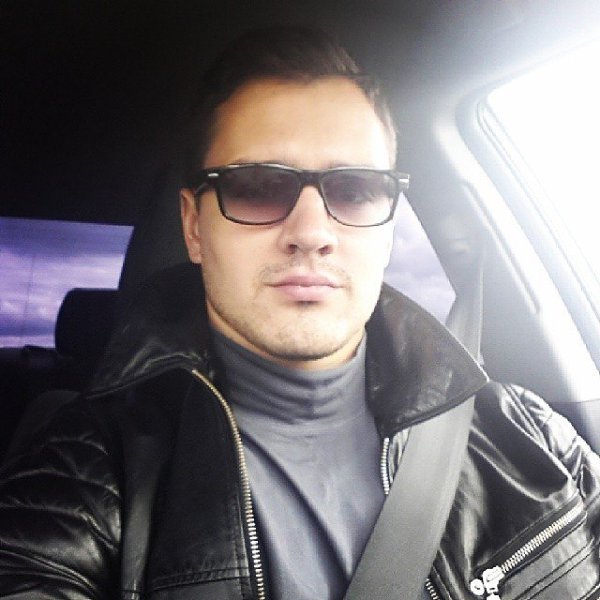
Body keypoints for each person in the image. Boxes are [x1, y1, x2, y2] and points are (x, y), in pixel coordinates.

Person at [1, 25, 599, 600]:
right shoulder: (87, 471)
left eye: (356, 189)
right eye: (257, 186)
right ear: (194, 228)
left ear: (389, 227)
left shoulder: (528, 434)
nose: (311, 232)